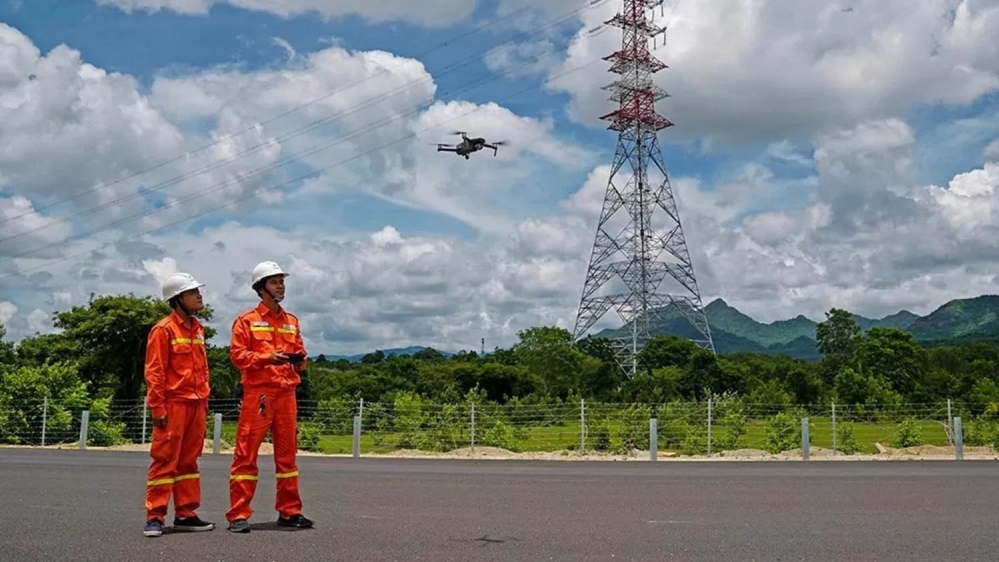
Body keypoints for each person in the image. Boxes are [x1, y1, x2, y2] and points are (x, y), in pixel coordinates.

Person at [225, 260, 314, 533]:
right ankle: (238, 514)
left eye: (282, 281)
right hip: (259, 395)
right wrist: (267, 358)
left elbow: (299, 353)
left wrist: (301, 361)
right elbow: (237, 356)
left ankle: (290, 511)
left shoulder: (292, 321)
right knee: (246, 455)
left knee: (287, 458)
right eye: (274, 282)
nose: (281, 286)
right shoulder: (246, 321)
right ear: (260, 288)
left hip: (287, 394)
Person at [143, 272, 215, 538]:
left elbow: (203, 369)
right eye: (192, 292)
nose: (199, 295)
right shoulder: (163, 330)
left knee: (189, 462)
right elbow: (155, 372)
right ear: (177, 299)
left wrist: (205, 399)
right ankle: (155, 516)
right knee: (165, 460)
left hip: (197, 404)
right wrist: (157, 407)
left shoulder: (198, 329)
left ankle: (186, 513)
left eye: (198, 291)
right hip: (173, 405)